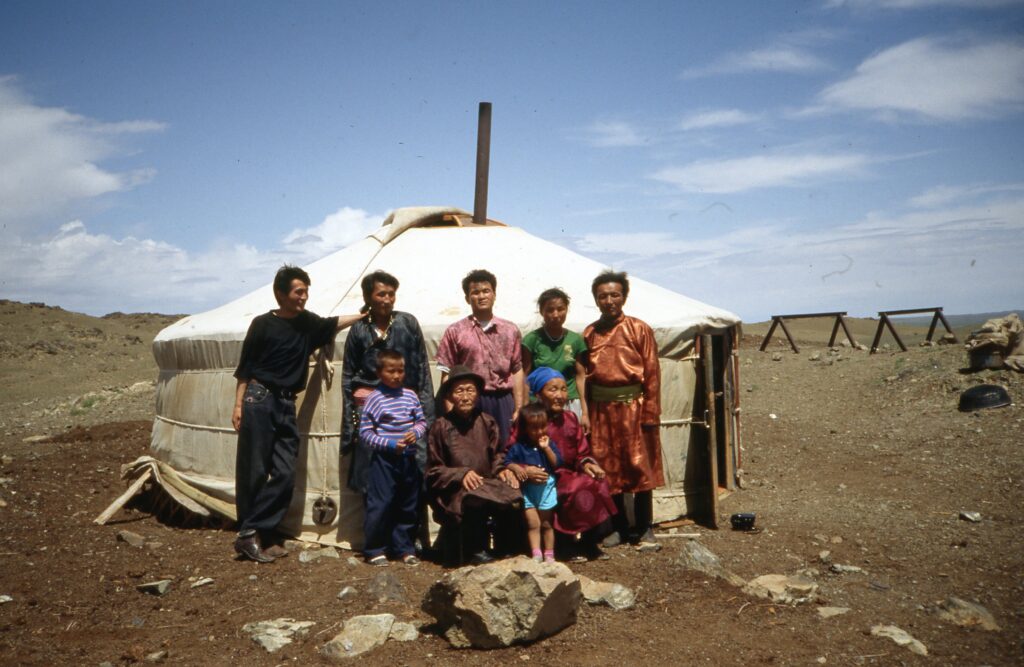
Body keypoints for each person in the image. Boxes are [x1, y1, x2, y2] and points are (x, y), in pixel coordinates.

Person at [232, 265, 361, 563]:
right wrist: (238, 405)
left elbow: (334, 324)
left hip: (287, 403)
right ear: (280, 293)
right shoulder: (262, 324)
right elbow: (245, 368)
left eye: (306, 292)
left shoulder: (307, 323)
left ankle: (254, 531)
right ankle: (254, 536)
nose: (303, 297)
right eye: (298, 291)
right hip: (259, 398)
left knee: (285, 472)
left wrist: (364, 314)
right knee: (253, 470)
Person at [583, 270, 664, 547]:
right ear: (595, 299)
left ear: (624, 297)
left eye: (614, 295)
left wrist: (651, 413)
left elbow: (652, 372)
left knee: (641, 467)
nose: (609, 301)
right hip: (601, 409)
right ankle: (617, 527)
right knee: (608, 468)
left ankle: (644, 527)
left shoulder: (639, 329)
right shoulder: (590, 333)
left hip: (635, 408)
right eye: (602, 296)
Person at [511, 367, 616, 561]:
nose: (560, 395)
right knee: (574, 487)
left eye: (563, 389)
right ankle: (565, 545)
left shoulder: (570, 418)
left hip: (568, 472)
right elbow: (511, 450)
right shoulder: (529, 419)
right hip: (541, 475)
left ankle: (589, 542)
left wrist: (588, 464)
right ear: (539, 394)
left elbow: (581, 451)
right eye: (553, 390)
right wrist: (525, 469)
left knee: (597, 482)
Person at [344, 270, 434, 495]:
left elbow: (422, 369)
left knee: (413, 473)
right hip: (370, 411)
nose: (387, 300)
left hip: (405, 408)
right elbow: (347, 376)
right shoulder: (358, 330)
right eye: (381, 294)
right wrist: (349, 426)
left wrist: (428, 417)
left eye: (391, 294)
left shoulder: (407, 322)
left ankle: (411, 529)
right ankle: (376, 528)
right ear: (367, 297)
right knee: (372, 477)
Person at [425, 366, 522, 566]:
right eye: (459, 391)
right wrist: (461, 474)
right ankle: (476, 550)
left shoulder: (487, 422)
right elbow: (433, 470)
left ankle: (508, 549)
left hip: (486, 483)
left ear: (477, 394)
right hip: (454, 488)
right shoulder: (440, 427)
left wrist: (503, 471)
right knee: (474, 497)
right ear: (451, 395)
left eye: (470, 390)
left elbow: (495, 456)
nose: (466, 396)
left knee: (514, 494)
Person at [436, 269, 525, 447]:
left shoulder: (510, 329)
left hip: (503, 400)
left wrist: (519, 406)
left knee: (505, 448)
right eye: (475, 292)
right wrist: (450, 409)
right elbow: (447, 372)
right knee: (472, 450)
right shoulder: (456, 331)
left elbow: (516, 369)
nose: (481, 296)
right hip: (469, 400)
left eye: (486, 291)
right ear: (467, 298)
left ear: (494, 295)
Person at [358, 349, 428, 566]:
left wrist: (415, 433)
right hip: (384, 461)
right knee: (381, 503)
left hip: (408, 459)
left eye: (401, 370)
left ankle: (404, 548)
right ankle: (375, 548)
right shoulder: (374, 399)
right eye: (391, 371)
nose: (397, 375)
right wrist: (389, 444)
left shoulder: (410, 395)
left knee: (408, 503)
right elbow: (365, 433)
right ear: (379, 372)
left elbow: (422, 422)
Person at [521, 287, 590, 431]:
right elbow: (525, 377)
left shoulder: (575, 340)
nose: (556, 314)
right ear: (541, 311)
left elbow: (580, 376)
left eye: (560, 309)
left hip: (570, 401)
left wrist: (584, 412)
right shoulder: (531, 340)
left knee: (571, 445)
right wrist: (525, 409)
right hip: (541, 404)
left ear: (567, 309)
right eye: (550, 310)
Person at [503, 403, 561, 563]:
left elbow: (556, 463)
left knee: (547, 524)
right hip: (528, 490)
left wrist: (547, 448)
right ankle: (536, 554)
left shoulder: (549, 444)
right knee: (533, 523)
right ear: (525, 428)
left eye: (543, 427)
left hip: (546, 489)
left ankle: (549, 554)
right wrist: (516, 467)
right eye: (534, 428)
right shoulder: (519, 447)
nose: (539, 432)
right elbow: (507, 460)